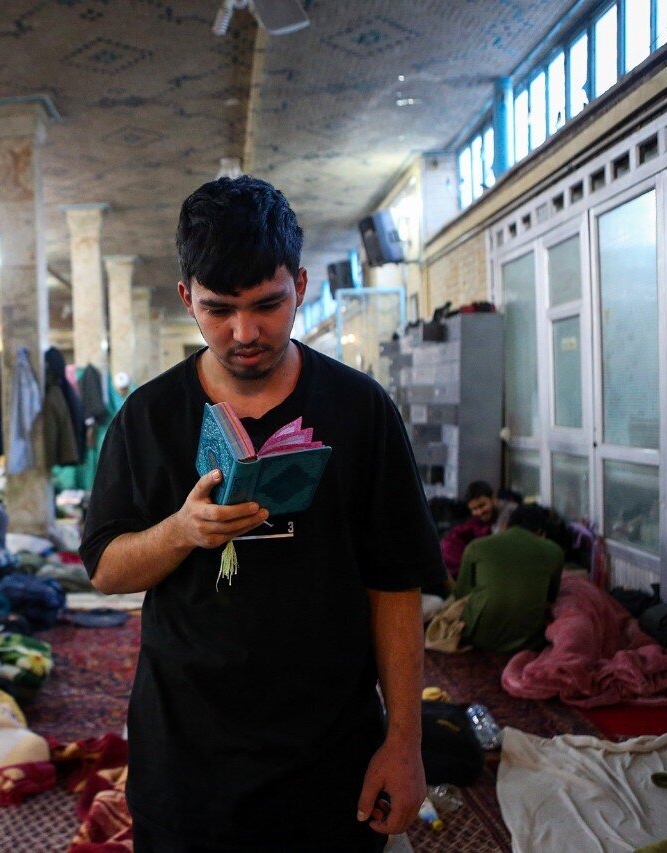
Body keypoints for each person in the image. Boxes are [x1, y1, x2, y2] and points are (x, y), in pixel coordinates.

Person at [80, 176, 440, 850]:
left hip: (328, 749)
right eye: (218, 309)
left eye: (268, 304)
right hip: (186, 754)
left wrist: (405, 742)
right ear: (187, 297)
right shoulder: (149, 417)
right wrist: (182, 531)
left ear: (300, 284)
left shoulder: (361, 410)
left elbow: (395, 584)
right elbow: (105, 569)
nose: (245, 332)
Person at [454, 503, 565, 654]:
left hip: (477, 637)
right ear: (541, 532)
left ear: (505, 526)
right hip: (529, 641)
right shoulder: (555, 552)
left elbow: (461, 594)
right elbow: (551, 598)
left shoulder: (476, 547)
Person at [441, 481, 518, 578]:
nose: (479, 512)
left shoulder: (510, 513)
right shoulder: (478, 521)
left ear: (494, 498)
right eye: (474, 509)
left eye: (482, 506)